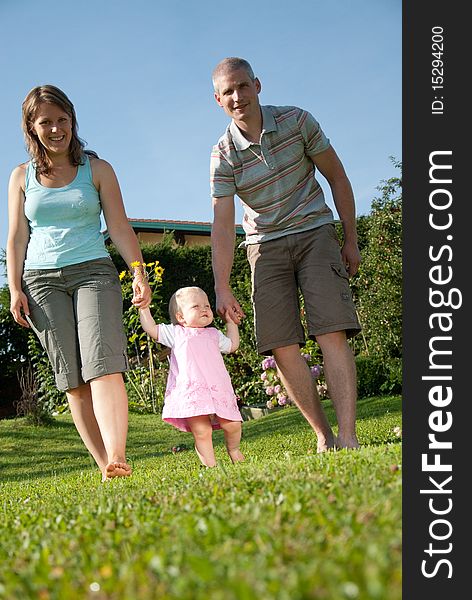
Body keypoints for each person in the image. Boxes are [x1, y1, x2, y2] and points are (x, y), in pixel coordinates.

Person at [210, 57, 362, 452]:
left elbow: (337, 176)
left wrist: (351, 239)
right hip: (265, 246)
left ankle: (348, 436)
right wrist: (222, 286)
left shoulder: (298, 121)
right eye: (228, 91)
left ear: (257, 86)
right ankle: (323, 436)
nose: (237, 96)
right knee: (280, 343)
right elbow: (223, 226)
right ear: (218, 99)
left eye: (243, 86)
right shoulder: (223, 155)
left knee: (331, 330)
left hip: (315, 232)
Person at [7, 84, 151, 481]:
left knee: (103, 367)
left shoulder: (97, 169)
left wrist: (139, 273)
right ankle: (106, 463)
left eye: (62, 120)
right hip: (40, 282)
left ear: (72, 120)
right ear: (32, 128)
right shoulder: (21, 177)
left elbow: (119, 227)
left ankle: (119, 455)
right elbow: (17, 236)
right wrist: (14, 287)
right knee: (72, 380)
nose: (56, 129)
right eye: (46, 122)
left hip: (93, 272)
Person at [139, 286, 244, 467]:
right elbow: (150, 328)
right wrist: (143, 307)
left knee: (233, 424)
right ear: (180, 317)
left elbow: (232, 345)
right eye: (196, 306)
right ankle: (210, 465)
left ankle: (234, 450)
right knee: (202, 431)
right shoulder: (175, 333)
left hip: (218, 390)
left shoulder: (214, 334)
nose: (204, 309)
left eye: (207, 306)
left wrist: (230, 323)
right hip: (192, 392)